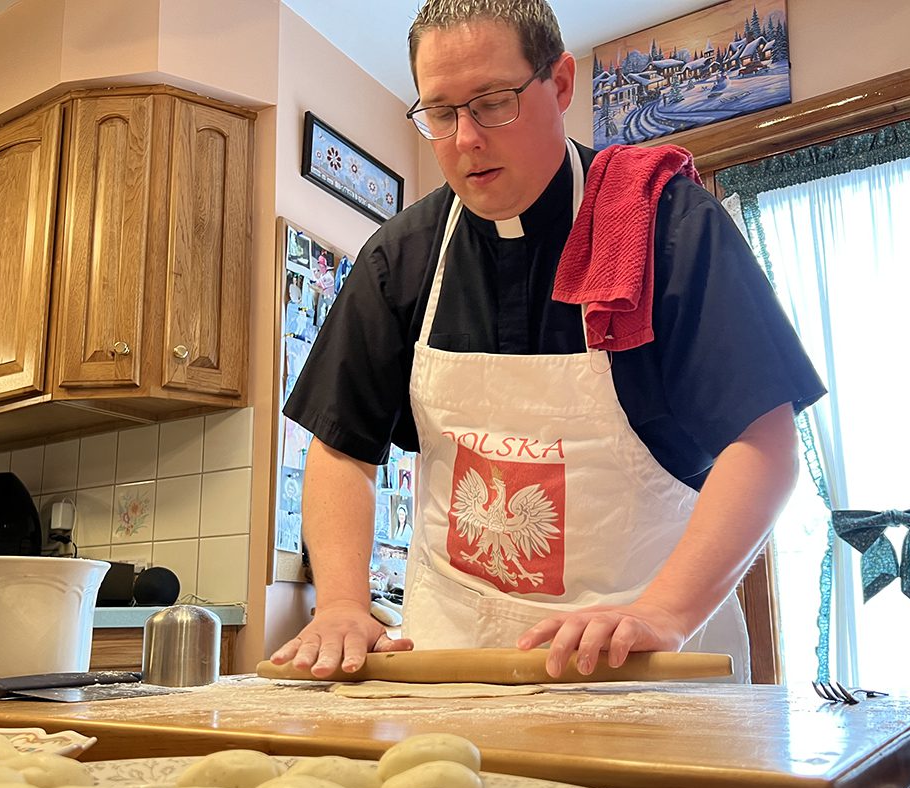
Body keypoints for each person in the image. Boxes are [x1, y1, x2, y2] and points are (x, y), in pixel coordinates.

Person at [276, 0, 825, 681]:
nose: (465, 138)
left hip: (645, 664)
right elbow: (339, 450)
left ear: (560, 83)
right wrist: (340, 603)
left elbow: (764, 445)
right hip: (455, 666)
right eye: (440, 113)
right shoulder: (401, 258)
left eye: (492, 102)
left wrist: (665, 612)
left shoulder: (667, 230)